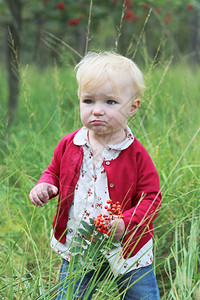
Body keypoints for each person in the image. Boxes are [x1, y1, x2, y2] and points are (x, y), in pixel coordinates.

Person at [29, 52, 162, 300]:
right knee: (71, 295)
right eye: (88, 101)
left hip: (127, 248)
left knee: (141, 295)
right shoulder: (70, 144)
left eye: (110, 102)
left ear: (133, 107)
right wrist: (44, 184)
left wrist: (126, 223)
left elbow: (151, 197)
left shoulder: (135, 154)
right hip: (81, 242)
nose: (97, 111)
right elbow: (54, 171)